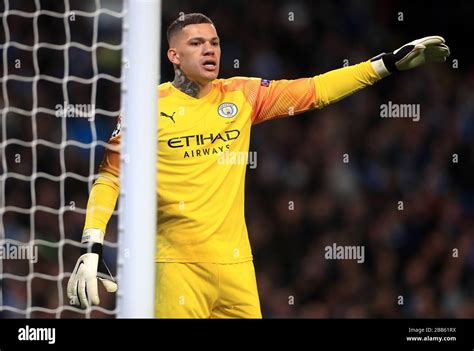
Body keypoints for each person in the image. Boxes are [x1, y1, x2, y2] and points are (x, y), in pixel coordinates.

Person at [67, 13, 450, 318]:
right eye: (196, 43)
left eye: (214, 42)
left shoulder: (242, 94)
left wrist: (384, 66)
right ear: (173, 55)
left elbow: (314, 91)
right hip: (176, 267)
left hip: (236, 269)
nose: (210, 50)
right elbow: (111, 176)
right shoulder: (145, 108)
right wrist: (92, 244)